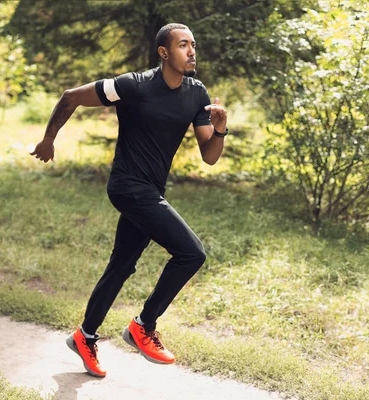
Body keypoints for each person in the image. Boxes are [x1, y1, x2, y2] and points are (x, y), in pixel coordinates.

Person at [30, 23, 228, 378]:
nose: (192, 51)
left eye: (193, 45)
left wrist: (221, 128)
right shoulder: (133, 85)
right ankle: (143, 326)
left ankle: (84, 336)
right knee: (191, 253)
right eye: (183, 45)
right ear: (164, 52)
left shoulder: (197, 94)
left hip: (151, 191)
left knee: (122, 265)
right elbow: (71, 96)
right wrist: (48, 140)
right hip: (127, 186)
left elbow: (209, 156)